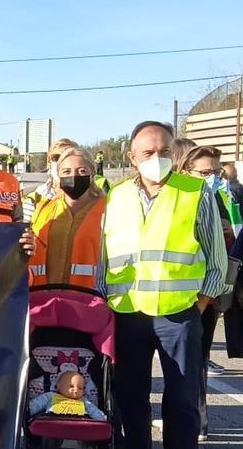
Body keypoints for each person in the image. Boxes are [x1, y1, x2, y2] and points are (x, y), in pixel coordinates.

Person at [103, 121, 228, 449]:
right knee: (130, 399)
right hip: (128, 313)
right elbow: (106, 256)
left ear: (174, 154)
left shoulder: (195, 191)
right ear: (132, 156)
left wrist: (199, 304)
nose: (157, 157)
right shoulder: (116, 197)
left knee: (183, 403)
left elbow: (217, 258)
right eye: (148, 152)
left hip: (180, 315)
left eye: (164, 151)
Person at [177, 144, 234, 441]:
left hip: (206, 295)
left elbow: (229, 245)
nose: (212, 177)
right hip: (174, 295)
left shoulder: (219, 197)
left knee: (198, 358)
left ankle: (199, 421)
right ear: (186, 170)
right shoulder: (176, 199)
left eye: (216, 171)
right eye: (205, 171)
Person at [27, 147, 104, 289]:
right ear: (58, 175)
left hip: (89, 300)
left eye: (82, 171)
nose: (73, 176)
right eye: (66, 171)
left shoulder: (107, 210)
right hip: (45, 298)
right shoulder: (43, 209)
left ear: (92, 173)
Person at [23, 139, 78, 225]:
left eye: (67, 157)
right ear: (49, 162)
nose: (61, 162)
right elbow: (24, 233)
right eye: (57, 157)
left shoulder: (89, 198)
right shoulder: (34, 199)